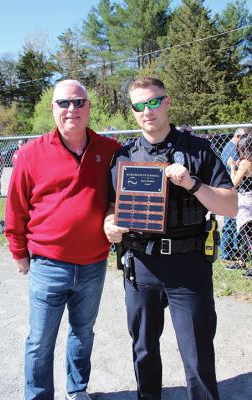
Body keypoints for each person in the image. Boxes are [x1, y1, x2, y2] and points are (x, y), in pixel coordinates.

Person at [104, 76, 238, 400]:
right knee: (144, 352)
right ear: (132, 111)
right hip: (141, 266)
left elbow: (231, 205)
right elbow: (111, 206)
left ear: (167, 102)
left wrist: (193, 184)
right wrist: (109, 225)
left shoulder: (198, 151)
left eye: (153, 101)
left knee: (197, 358)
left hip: (188, 268)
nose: (146, 110)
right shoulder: (123, 158)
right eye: (139, 105)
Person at [5, 79, 121, 400]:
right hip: (48, 266)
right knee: (40, 341)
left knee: (83, 333)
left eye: (79, 102)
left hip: (94, 264)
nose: (72, 109)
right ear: (53, 108)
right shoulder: (31, 153)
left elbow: (126, 194)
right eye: (64, 103)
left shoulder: (110, 151)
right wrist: (18, 251)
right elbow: (15, 207)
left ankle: (77, 389)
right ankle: (39, 396)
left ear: (89, 108)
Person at [220, 127, 249, 263]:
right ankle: (227, 253)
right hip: (232, 190)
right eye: (244, 137)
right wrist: (233, 166)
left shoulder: (243, 157)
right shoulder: (231, 149)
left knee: (239, 226)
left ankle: (235, 253)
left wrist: (235, 166)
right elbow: (233, 180)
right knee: (231, 223)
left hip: (241, 193)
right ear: (238, 137)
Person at [228, 132, 252, 277]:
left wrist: (232, 167)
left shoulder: (245, 163)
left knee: (246, 233)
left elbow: (234, 184)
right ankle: (242, 260)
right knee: (247, 233)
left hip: (246, 201)